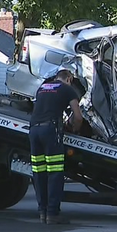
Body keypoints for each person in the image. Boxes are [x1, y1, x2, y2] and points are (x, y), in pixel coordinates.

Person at [29, 69, 84, 224]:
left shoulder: (43, 87)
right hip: (50, 131)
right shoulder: (68, 89)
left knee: (39, 172)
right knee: (55, 172)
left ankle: (42, 212)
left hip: (34, 130)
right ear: (69, 79)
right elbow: (78, 117)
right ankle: (52, 213)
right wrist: (75, 129)